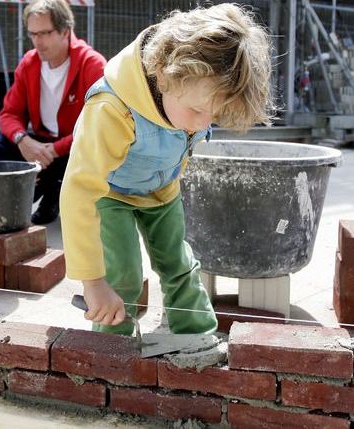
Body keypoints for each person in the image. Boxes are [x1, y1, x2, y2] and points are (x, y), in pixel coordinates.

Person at [60, 3, 274, 335]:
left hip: (162, 191)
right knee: (123, 277)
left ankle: (197, 337)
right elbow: (78, 193)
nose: (201, 125)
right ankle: (111, 352)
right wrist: (93, 282)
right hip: (110, 194)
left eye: (213, 117)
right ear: (163, 73)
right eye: (198, 111)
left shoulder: (191, 94)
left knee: (179, 264)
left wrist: (196, 114)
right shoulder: (111, 109)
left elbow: (186, 129)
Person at [0, 0, 105, 225]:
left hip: (77, 145)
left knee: (90, 151)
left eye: (45, 33)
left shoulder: (92, 64)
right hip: (42, 144)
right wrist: (24, 141)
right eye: (32, 34)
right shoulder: (29, 63)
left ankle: (56, 192)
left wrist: (56, 149)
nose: (37, 41)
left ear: (65, 30)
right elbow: (9, 114)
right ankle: (12, 202)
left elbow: (99, 125)